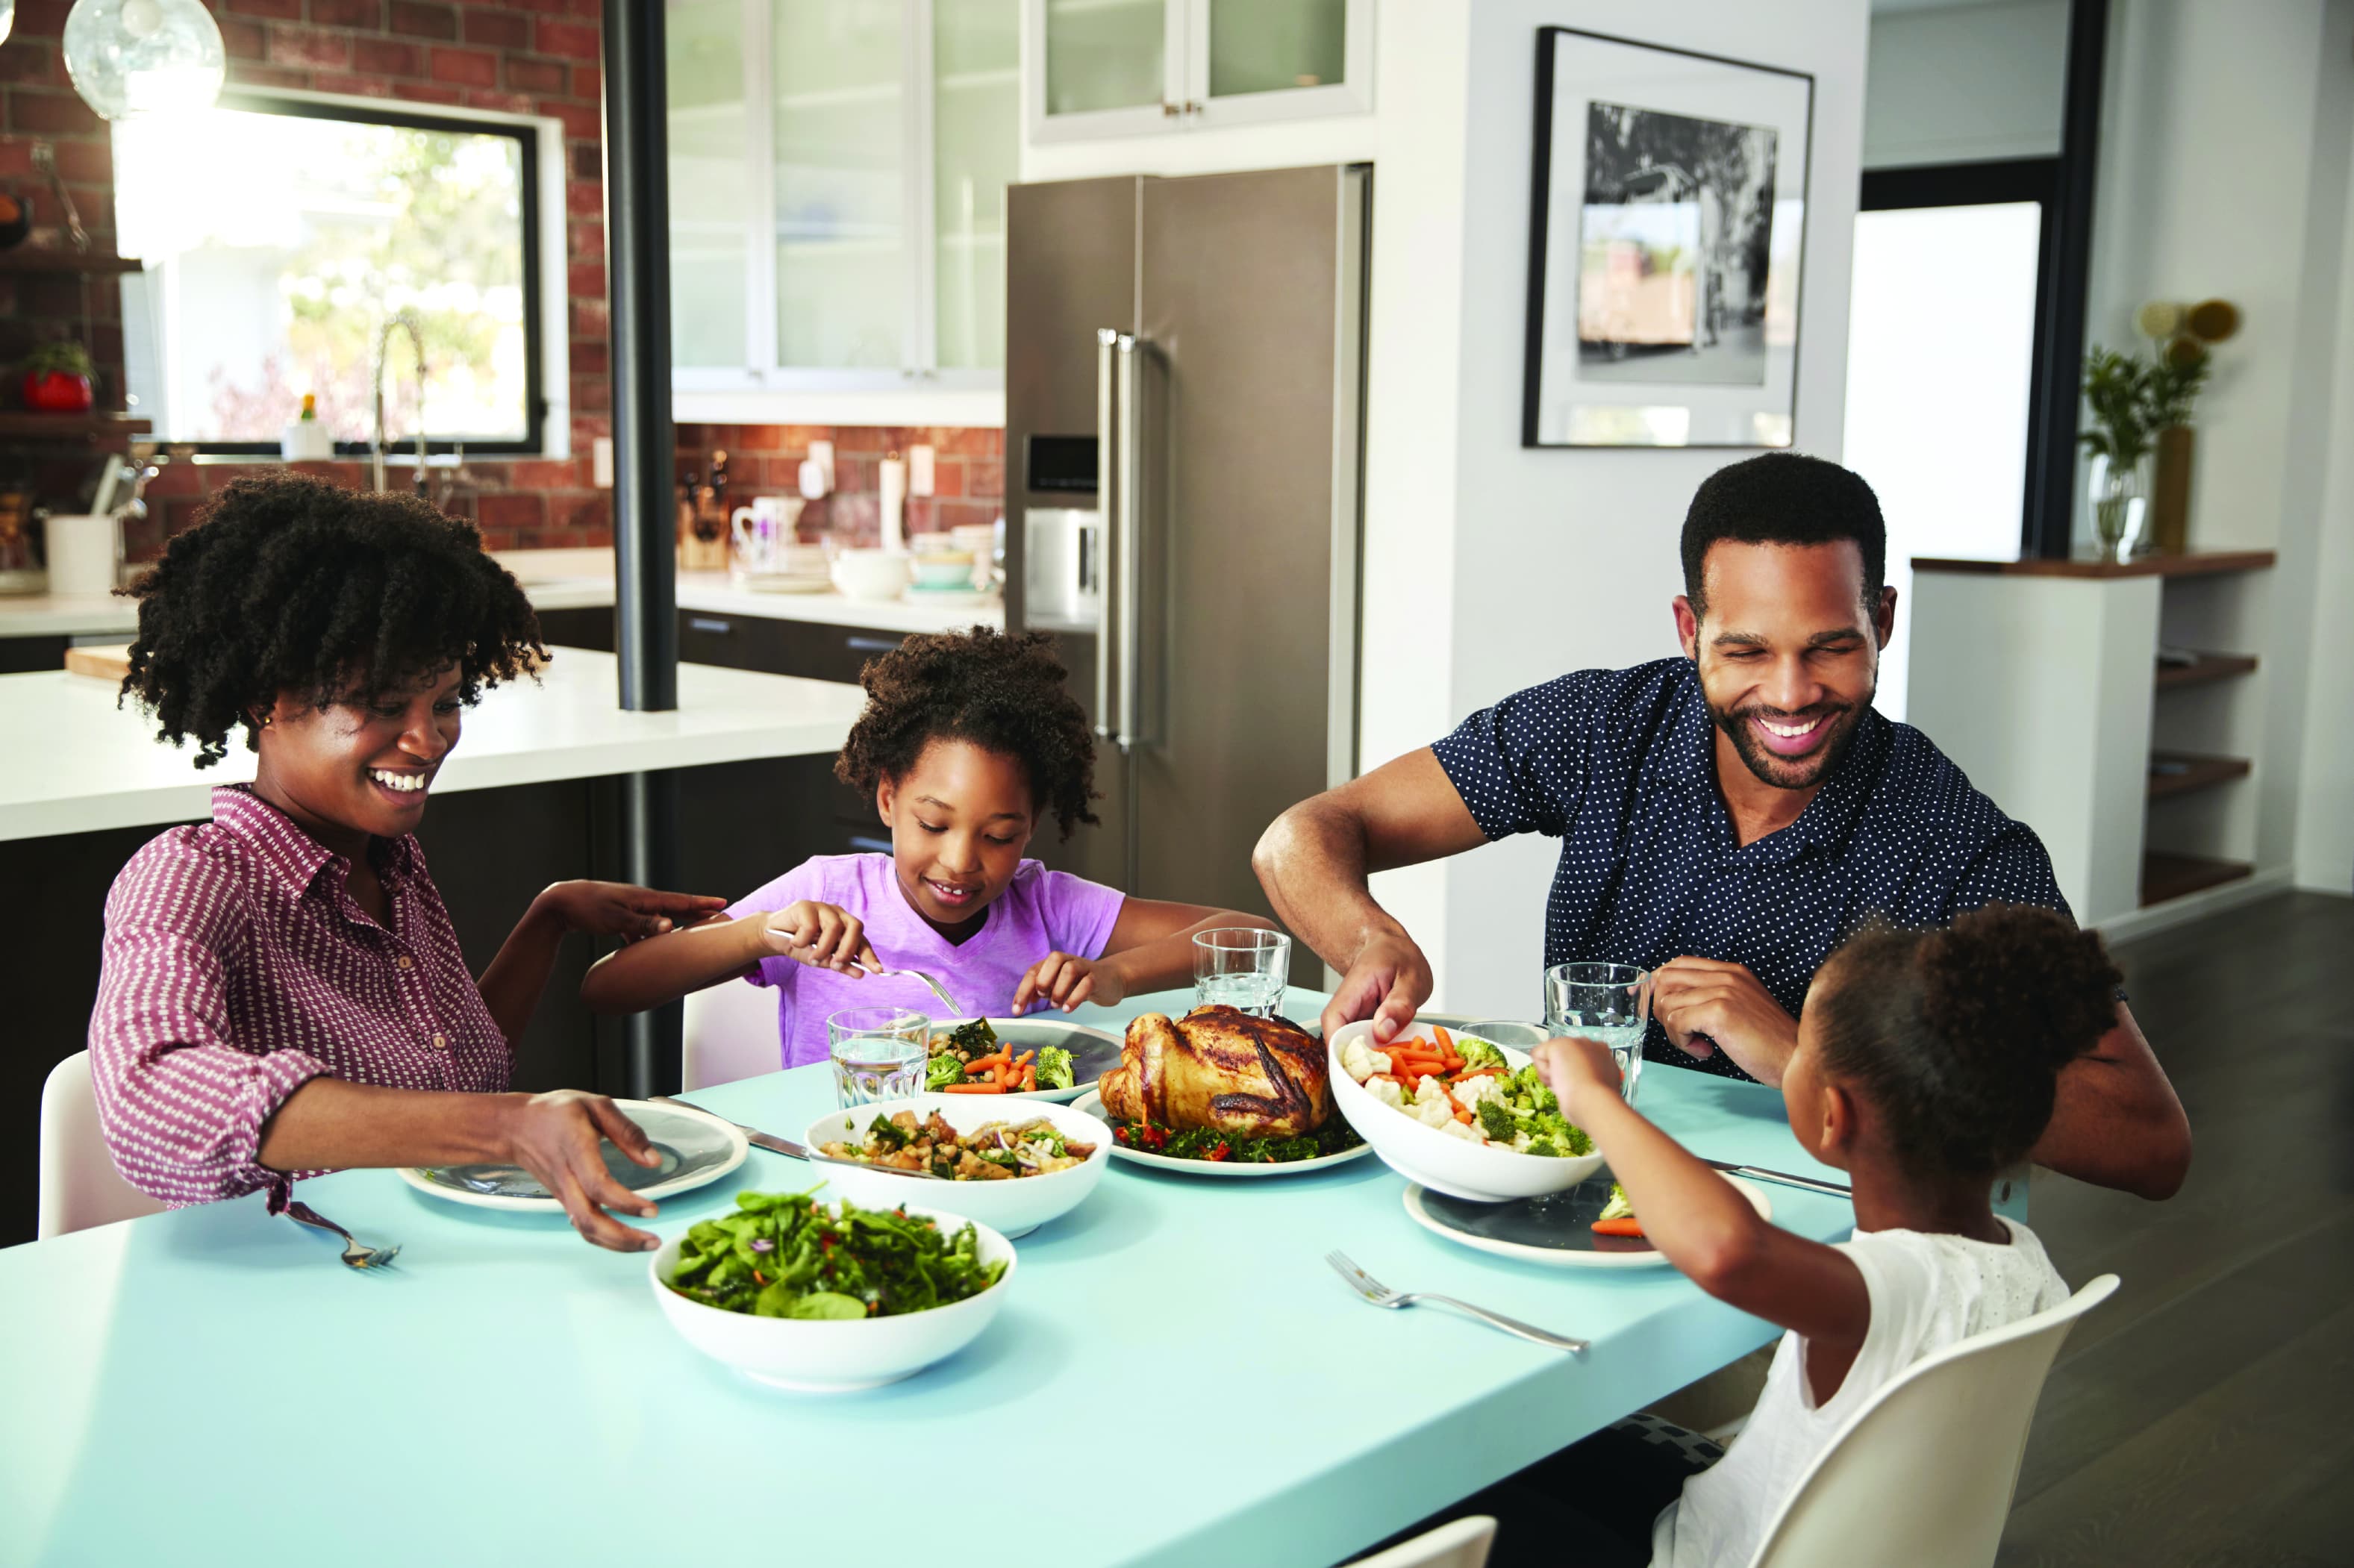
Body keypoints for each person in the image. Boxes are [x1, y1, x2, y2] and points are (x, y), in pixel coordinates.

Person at [1256, 452, 2191, 1199]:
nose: (1789, 695)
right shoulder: (1600, 727)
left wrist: (1804, 1055)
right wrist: (1368, 936)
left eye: (1830, 647)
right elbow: (1303, 834)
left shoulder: (1955, 843)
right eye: (1745, 650)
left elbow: (2149, 1142)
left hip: (1796, 1273)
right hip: (1558, 1192)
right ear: (1687, 628)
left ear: (1884, 623)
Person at [90, 473, 725, 1251]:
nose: (428, 740)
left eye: (445, 702)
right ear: (263, 699)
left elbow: (455, 1080)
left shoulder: (392, 862)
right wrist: (503, 1127)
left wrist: (549, 918)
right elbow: (149, 1099)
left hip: (418, 1256)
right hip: (295, 1279)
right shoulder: (190, 877)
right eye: (383, 705)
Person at [1432, 904, 2115, 1568]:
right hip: (1799, 1531)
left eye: (1802, 1055)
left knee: (1453, 1495)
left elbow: (1730, 1249)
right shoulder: (2027, 1265)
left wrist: (1596, 1100)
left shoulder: (1882, 1288)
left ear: (1832, 1115)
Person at [581, 627, 1271, 1063]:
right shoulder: (828, 890)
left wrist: (1118, 974)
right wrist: (763, 935)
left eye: (1000, 836)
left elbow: (1253, 934)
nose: (961, 861)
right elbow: (609, 987)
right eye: (933, 824)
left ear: (1030, 828)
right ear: (887, 798)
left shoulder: (1048, 906)